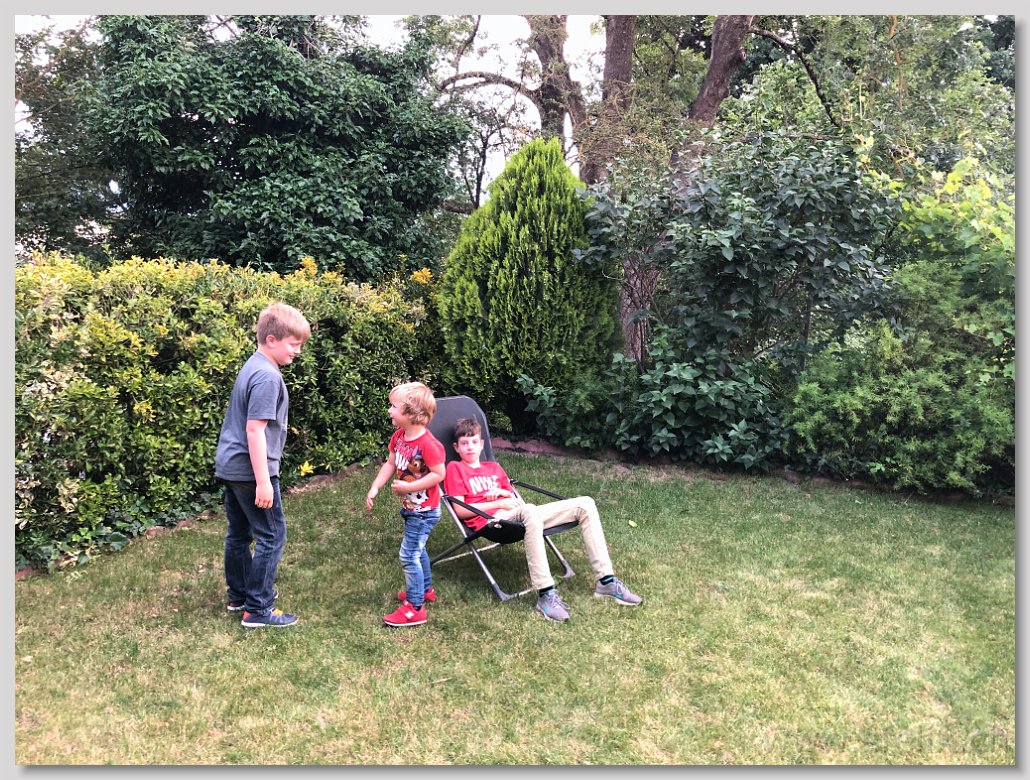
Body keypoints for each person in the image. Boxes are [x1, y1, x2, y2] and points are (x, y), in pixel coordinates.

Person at [443, 417, 642, 622]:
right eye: (464, 443)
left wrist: (503, 494)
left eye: (474, 441)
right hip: (492, 523)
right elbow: (460, 510)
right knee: (530, 510)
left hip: (521, 515)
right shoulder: (455, 468)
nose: (470, 447)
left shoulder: (493, 468)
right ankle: (546, 594)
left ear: (482, 444)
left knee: (586, 504)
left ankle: (606, 581)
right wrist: (500, 503)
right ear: (456, 447)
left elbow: (514, 499)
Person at [215, 302, 311, 628]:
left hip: (232, 465)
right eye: (293, 344)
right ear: (271, 339)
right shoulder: (267, 377)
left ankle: (240, 595)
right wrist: (264, 481)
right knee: (272, 534)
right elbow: (255, 431)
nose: (297, 351)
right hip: (251, 469)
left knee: (240, 533)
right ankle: (258, 608)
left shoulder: (254, 365)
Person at [365, 382, 446, 627]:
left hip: (425, 511)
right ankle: (425, 590)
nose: (389, 410)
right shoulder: (399, 437)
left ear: (412, 414)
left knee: (408, 555)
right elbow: (390, 463)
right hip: (413, 509)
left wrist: (409, 488)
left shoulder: (428, 445)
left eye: (394, 406)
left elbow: (439, 474)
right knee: (418, 550)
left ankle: (415, 608)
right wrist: (376, 486)